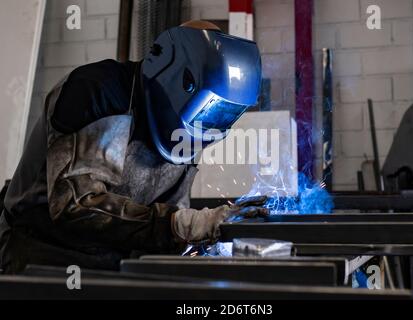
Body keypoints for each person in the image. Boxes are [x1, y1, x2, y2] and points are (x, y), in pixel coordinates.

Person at [0, 20, 267, 274]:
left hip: (112, 262)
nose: (211, 121)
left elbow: (170, 214)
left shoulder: (188, 123)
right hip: (40, 255)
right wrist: (179, 225)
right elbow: (76, 205)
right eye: (211, 107)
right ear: (178, 77)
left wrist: (195, 236)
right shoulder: (100, 92)